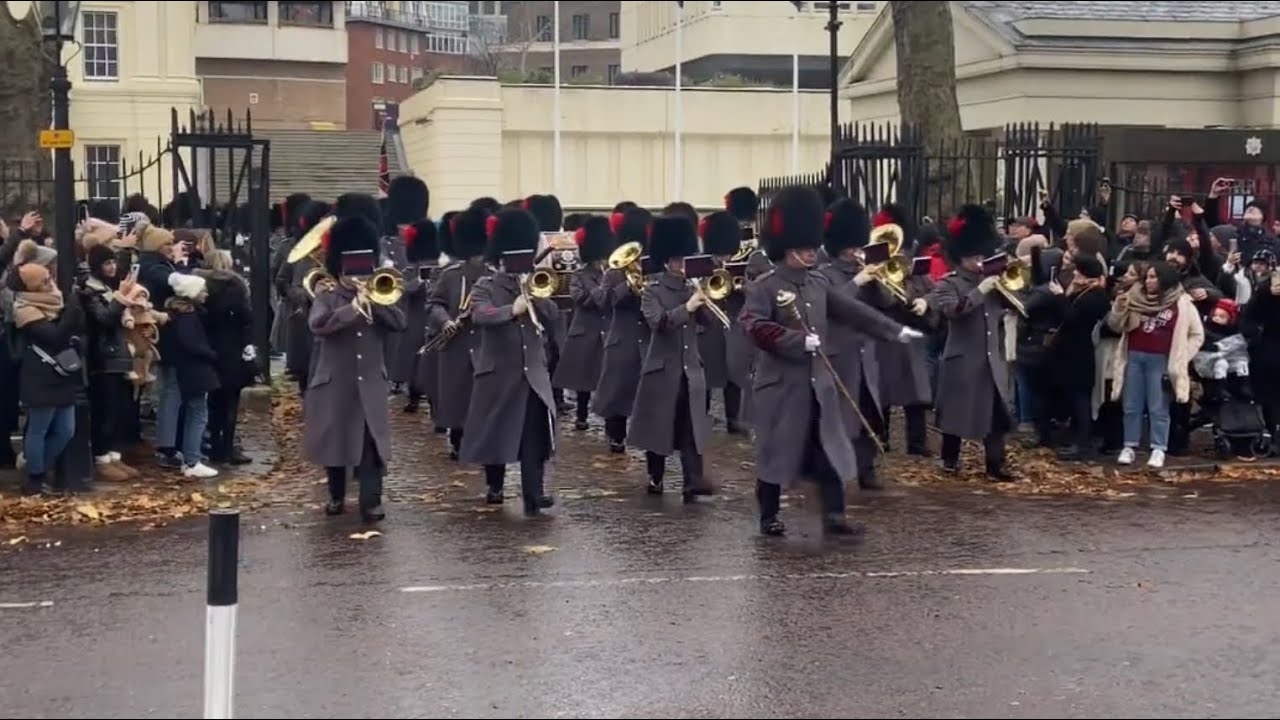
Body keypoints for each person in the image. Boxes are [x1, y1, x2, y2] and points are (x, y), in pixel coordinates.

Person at [739, 186, 921, 537]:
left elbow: (852, 311)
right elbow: (753, 326)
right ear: (789, 250)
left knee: (830, 448)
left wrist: (894, 331)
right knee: (777, 454)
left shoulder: (818, 281)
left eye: (811, 249)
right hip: (781, 385)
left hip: (818, 384)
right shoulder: (764, 286)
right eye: (806, 250)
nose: (812, 254)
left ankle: (835, 516)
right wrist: (796, 341)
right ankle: (769, 516)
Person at [303, 208, 407, 522]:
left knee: (371, 444)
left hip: (371, 381)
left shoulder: (381, 293)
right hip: (337, 381)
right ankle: (336, 495)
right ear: (341, 268)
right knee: (337, 444)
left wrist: (374, 301)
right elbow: (318, 326)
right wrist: (352, 307)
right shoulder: (329, 297)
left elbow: (399, 322)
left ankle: (371, 501)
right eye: (353, 269)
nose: (359, 275)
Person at [459, 208, 561, 516]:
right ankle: (495, 485)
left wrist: (537, 297)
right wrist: (511, 310)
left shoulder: (534, 283)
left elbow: (554, 317)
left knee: (534, 437)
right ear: (501, 259)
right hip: (499, 373)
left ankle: (534, 495)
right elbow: (480, 315)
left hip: (532, 373)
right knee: (496, 434)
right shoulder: (486, 286)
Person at [926, 204, 1019, 480]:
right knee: (956, 415)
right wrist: (980, 291)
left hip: (990, 357)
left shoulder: (991, 280)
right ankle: (949, 460)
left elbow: (1008, 307)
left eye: (982, 255)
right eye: (974, 257)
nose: (979, 261)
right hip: (962, 359)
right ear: (961, 257)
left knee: (995, 416)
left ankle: (995, 465)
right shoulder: (948, 284)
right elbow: (953, 311)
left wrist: (1006, 294)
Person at [628, 215, 716, 499]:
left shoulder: (693, 289)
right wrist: (688, 307)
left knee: (692, 429)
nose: (682, 266)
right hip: (663, 370)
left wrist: (706, 302)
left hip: (691, 370)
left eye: (685, 260)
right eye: (678, 261)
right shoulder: (652, 292)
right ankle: (656, 478)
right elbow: (660, 324)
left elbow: (710, 324)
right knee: (660, 429)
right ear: (666, 261)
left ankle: (693, 482)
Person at [1106, 261, 1204, 469]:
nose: (1149, 281)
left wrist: (1181, 356)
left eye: (1154, 277)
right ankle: (1129, 446)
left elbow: (1196, 334)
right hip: (1134, 355)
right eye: (1147, 277)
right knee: (1131, 404)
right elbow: (1115, 325)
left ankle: (1158, 447)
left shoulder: (1182, 303)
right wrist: (1119, 306)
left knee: (1158, 406)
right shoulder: (1133, 297)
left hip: (1161, 359)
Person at [11, 245, 86, 494]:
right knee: (39, 429)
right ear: (32, 287)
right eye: (44, 282)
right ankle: (35, 477)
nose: (50, 284)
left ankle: (41, 466)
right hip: (40, 373)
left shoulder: (56, 301)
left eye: (49, 279)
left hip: (62, 372)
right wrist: (72, 309)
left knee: (66, 430)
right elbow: (54, 336)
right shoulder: (24, 308)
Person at [425, 205, 491, 459]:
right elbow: (435, 303)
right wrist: (445, 321)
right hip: (457, 342)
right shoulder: (451, 275)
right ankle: (458, 439)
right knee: (457, 394)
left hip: (486, 342)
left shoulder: (494, 275)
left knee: (483, 395)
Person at [591, 207, 654, 452]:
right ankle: (615, 435)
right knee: (617, 392)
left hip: (649, 337)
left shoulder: (653, 268)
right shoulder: (615, 270)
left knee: (648, 392)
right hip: (623, 337)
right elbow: (602, 301)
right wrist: (627, 286)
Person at [78, 243, 140, 480]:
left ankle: (115, 455)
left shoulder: (107, 287)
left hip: (117, 354)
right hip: (103, 358)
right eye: (107, 263)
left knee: (119, 410)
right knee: (106, 410)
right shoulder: (90, 291)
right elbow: (103, 318)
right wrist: (121, 299)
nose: (112, 267)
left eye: (113, 262)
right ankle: (102, 457)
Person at [551, 215, 617, 430]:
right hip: (586, 330)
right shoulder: (579, 274)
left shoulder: (613, 273)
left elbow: (615, 300)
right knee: (583, 381)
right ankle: (581, 416)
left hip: (607, 330)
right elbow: (582, 299)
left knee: (608, 379)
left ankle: (611, 420)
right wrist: (604, 291)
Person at [697, 210, 746, 434]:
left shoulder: (740, 261)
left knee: (734, 375)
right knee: (706, 377)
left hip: (732, 324)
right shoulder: (700, 264)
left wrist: (743, 287)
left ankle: (734, 420)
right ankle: (701, 418)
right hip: (708, 326)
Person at [396, 218, 440, 414]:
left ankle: (436, 404)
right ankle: (413, 395)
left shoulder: (441, 268)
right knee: (414, 360)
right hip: (416, 317)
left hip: (434, 319)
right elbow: (403, 290)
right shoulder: (409, 270)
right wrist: (420, 282)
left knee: (435, 363)